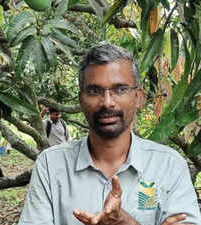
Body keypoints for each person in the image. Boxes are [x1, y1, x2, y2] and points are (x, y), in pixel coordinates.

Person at [18, 43, 201, 225]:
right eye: (94, 91)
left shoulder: (169, 165)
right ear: (81, 99)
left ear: (138, 97)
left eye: (120, 89)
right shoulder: (50, 166)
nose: (107, 102)